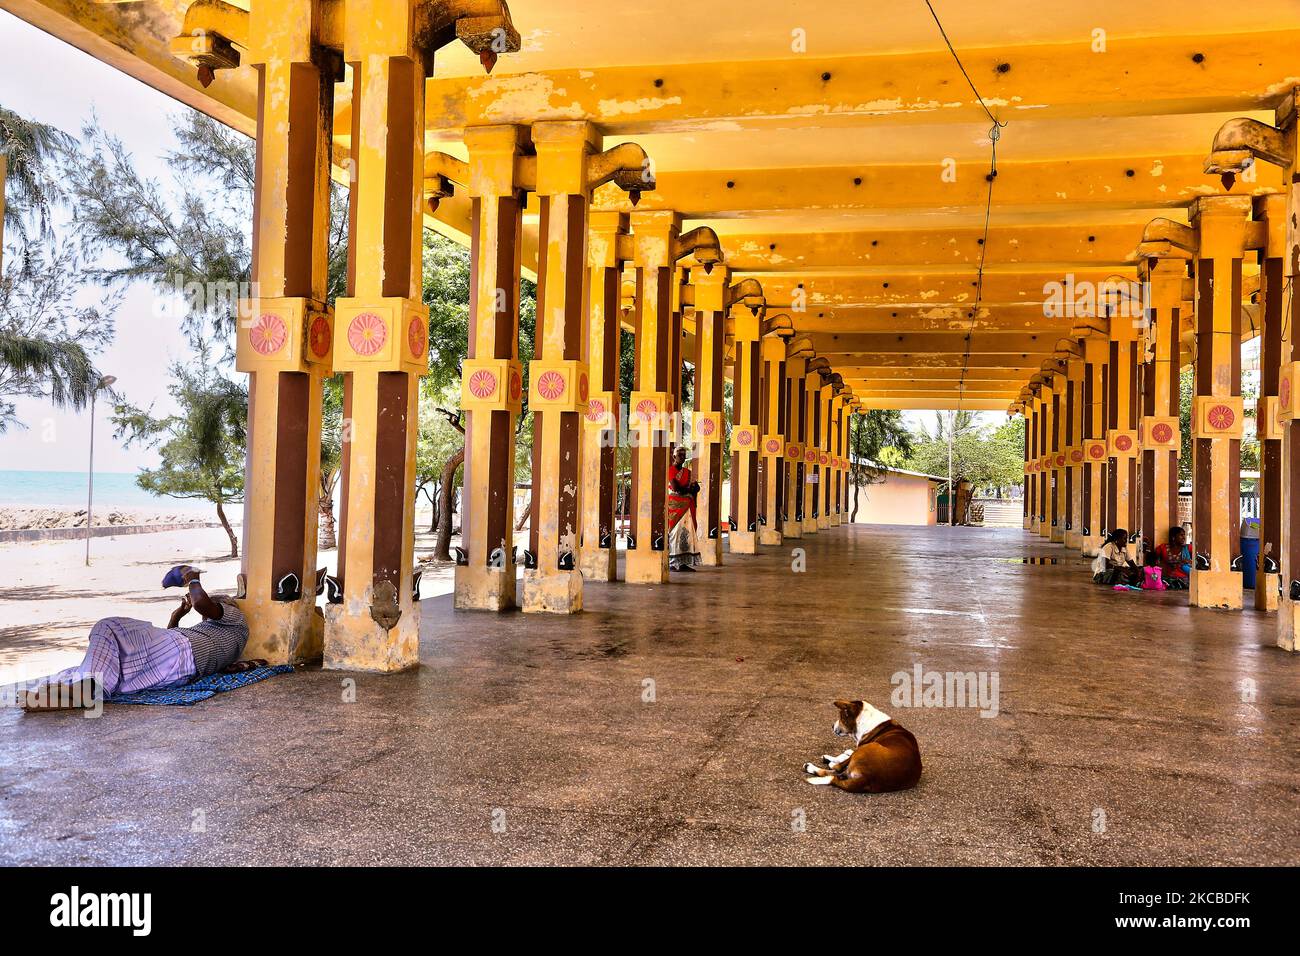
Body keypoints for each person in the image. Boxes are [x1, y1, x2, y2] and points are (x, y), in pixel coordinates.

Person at [22, 565, 250, 712]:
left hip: (178, 652)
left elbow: (201, 603)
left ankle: (84, 687)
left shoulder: (235, 618)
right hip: (177, 671)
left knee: (110, 627)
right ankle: (81, 691)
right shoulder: (219, 633)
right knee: (119, 670)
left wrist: (192, 577)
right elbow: (172, 645)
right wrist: (176, 617)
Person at [667, 445, 700, 572]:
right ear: (674, 456)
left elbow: (696, 488)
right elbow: (676, 488)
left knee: (686, 533)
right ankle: (672, 562)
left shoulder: (688, 472)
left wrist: (691, 489)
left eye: (684, 455)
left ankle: (682, 563)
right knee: (675, 533)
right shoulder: (671, 470)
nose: (682, 457)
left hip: (687, 506)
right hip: (675, 507)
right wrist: (689, 489)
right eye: (680, 455)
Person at [1154, 526, 1192, 590]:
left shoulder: (1188, 548)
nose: (1184, 538)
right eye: (1181, 535)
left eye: (1184, 535)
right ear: (1173, 537)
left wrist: (1189, 561)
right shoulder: (1163, 548)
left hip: (1185, 580)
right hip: (1167, 579)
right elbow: (1154, 561)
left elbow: (1199, 561)